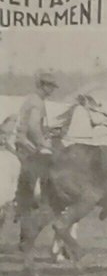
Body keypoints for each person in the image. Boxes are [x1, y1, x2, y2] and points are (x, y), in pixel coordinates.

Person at [14, 72, 58, 211]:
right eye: (50, 86)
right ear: (42, 86)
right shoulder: (36, 102)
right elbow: (33, 127)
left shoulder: (34, 99)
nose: (52, 90)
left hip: (25, 142)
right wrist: (44, 143)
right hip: (27, 145)